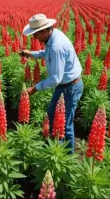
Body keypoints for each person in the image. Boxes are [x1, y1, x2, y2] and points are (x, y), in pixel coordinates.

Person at [19, 14, 83, 154]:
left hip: (70, 87)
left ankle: (67, 157)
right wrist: (32, 54)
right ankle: (55, 146)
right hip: (64, 86)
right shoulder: (53, 36)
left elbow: (55, 79)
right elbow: (46, 53)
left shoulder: (57, 46)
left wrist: (35, 88)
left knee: (66, 125)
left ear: (44, 31)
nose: (35, 38)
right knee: (52, 114)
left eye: (36, 34)